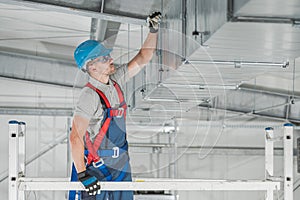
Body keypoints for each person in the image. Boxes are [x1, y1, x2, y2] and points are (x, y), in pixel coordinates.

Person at [70, 12, 162, 200]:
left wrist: (153, 30)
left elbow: (144, 57)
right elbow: (75, 137)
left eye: (108, 56)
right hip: (94, 167)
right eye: (104, 58)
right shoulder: (89, 95)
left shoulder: (116, 80)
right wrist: (82, 175)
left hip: (120, 165)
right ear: (92, 67)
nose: (110, 59)